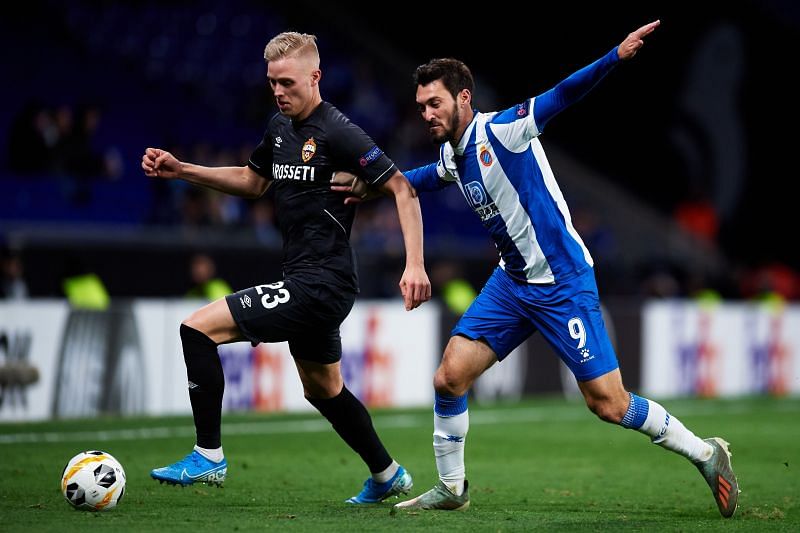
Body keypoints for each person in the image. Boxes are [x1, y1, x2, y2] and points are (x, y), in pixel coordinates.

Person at [333, 20, 739, 518]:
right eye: (420, 106)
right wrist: (371, 184)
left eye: (434, 103)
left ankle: (705, 453)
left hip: (563, 283)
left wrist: (614, 56)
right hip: (512, 283)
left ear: (463, 98)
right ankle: (452, 487)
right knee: (449, 377)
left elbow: (563, 93)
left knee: (608, 404)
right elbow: (420, 178)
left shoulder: (505, 128)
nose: (426, 114)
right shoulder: (452, 156)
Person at [141, 31, 431, 504]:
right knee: (323, 389)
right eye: (273, 82)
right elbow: (254, 182)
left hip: (324, 281)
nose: (279, 91)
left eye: (288, 83)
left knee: (197, 329)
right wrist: (184, 170)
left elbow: (402, 187)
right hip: (305, 278)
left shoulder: (337, 130)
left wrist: (413, 264)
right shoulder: (279, 127)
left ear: (315, 77)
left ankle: (208, 455)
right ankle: (387, 474)